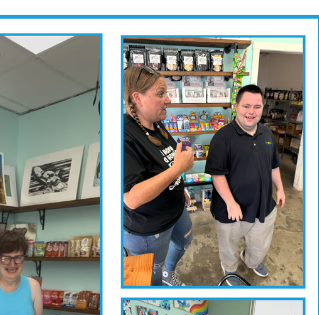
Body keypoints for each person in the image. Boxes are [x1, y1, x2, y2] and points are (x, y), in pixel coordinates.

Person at [122, 65, 196, 286]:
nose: (168, 100)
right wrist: (177, 170)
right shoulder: (123, 136)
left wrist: (179, 187)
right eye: (160, 94)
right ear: (138, 98)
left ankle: (168, 274)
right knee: (147, 279)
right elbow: (131, 198)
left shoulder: (154, 123)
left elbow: (163, 161)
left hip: (175, 210)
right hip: (148, 229)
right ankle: (159, 283)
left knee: (185, 241)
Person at [205, 84, 287, 283]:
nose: (251, 112)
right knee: (228, 247)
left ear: (262, 108)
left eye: (257, 107)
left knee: (259, 246)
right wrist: (231, 203)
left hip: (263, 207)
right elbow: (217, 175)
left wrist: (281, 189)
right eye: (246, 106)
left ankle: (251, 260)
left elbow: (273, 166)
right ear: (236, 107)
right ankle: (230, 271)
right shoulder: (222, 137)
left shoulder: (267, 134)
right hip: (232, 211)